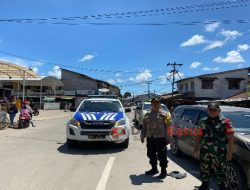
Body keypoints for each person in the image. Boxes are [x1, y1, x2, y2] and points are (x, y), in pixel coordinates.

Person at [193, 103, 234, 190]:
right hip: (205, 152)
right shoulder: (202, 121)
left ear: (219, 111)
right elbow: (198, 136)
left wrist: (230, 152)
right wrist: (195, 149)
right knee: (204, 170)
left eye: (214, 110)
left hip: (219, 153)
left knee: (221, 172)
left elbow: (230, 138)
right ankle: (204, 185)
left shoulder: (226, 122)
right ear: (207, 111)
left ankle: (222, 187)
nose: (212, 111)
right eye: (210, 110)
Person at [140, 98, 170, 179]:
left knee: (162, 156)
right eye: (154, 103)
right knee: (151, 154)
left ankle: (163, 171)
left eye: (157, 103)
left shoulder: (165, 114)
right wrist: (142, 136)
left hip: (161, 138)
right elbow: (144, 126)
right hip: (150, 138)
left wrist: (168, 138)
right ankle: (154, 169)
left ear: (160, 104)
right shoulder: (147, 114)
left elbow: (168, 127)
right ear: (151, 104)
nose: (155, 104)